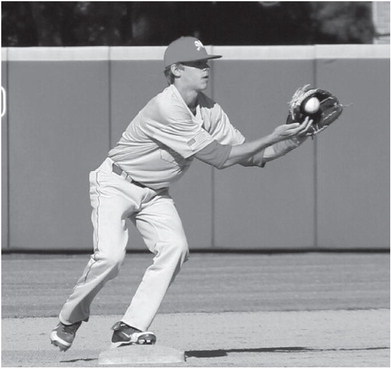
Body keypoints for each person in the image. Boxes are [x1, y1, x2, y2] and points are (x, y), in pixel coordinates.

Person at [50, 36, 312, 351]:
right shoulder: (166, 106)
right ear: (176, 70)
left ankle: (130, 326)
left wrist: (294, 140)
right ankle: (69, 319)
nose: (206, 69)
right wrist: (272, 135)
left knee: (175, 248)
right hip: (116, 183)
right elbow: (219, 158)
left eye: (206, 63)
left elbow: (251, 157)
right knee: (110, 257)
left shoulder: (210, 110)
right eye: (198, 64)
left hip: (155, 192)